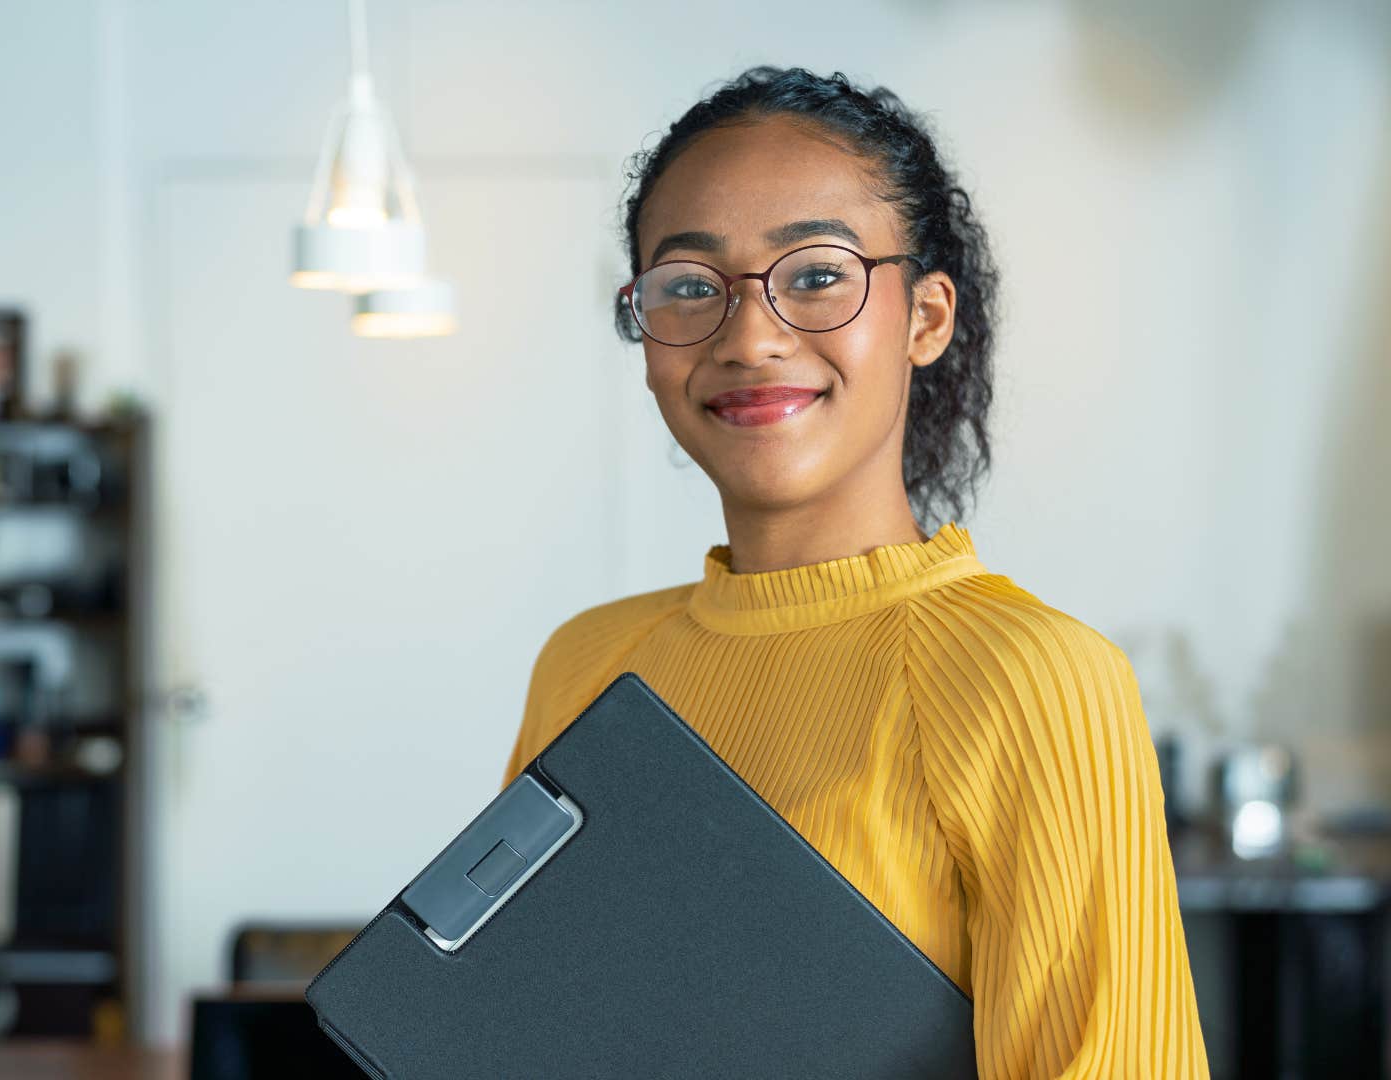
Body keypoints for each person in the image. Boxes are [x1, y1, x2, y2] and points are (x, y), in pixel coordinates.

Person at [498, 65, 1208, 1078]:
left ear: (925, 318)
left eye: (818, 274)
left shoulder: (1036, 681)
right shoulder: (586, 664)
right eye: (690, 286)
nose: (749, 336)